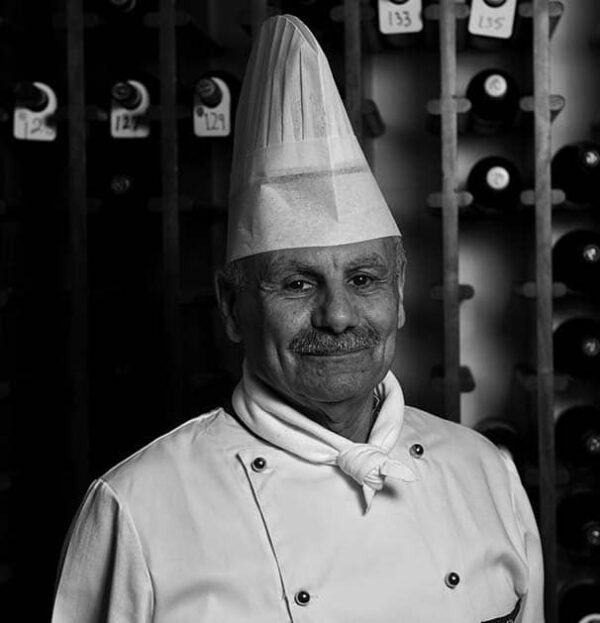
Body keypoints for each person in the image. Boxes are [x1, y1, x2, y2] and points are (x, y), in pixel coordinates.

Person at [51, 14, 544, 623]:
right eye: (296, 283)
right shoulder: (135, 508)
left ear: (398, 294)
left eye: (363, 279)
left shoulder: (485, 470)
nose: (337, 316)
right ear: (232, 306)